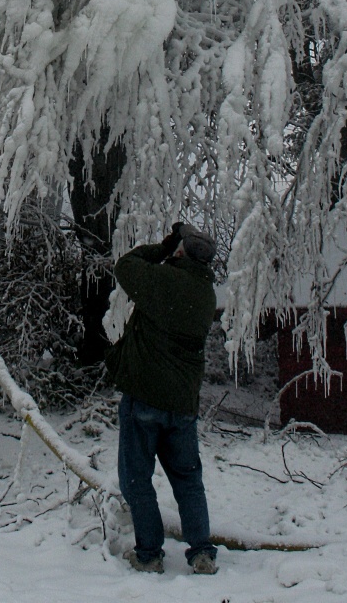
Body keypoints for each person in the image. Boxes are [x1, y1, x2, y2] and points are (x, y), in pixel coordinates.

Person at [105, 221, 219, 575]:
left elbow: (125, 267)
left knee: (137, 479)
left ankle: (150, 554)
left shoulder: (164, 281)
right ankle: (201, 552)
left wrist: (162, 247)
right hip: (182, 405)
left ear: (181, 251)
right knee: (188, 481)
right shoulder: (205, 295)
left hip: (145, 399)